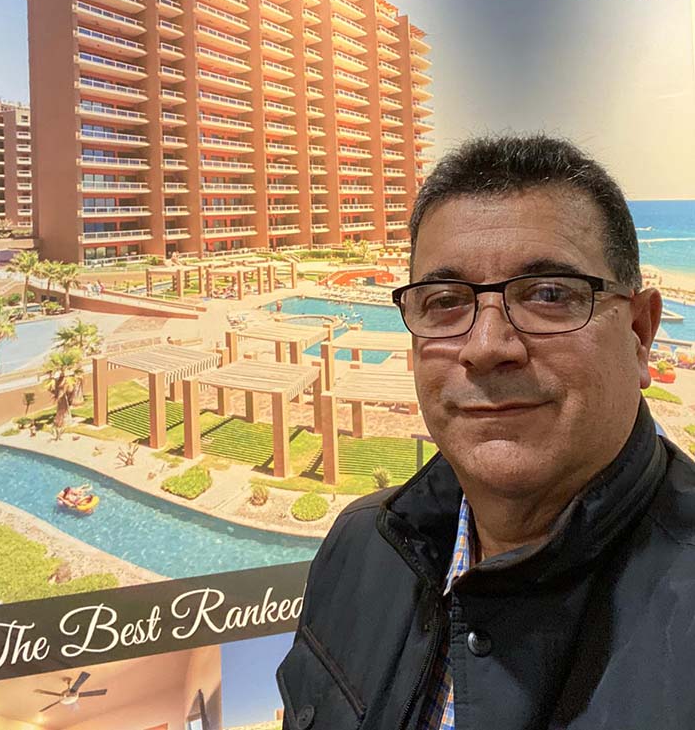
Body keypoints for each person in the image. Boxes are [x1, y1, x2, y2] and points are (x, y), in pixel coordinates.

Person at [277, 135, 695, 729]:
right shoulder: (359, 549)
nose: (487, 346)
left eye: (549, 294)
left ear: (640, 333)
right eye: (445, 301)